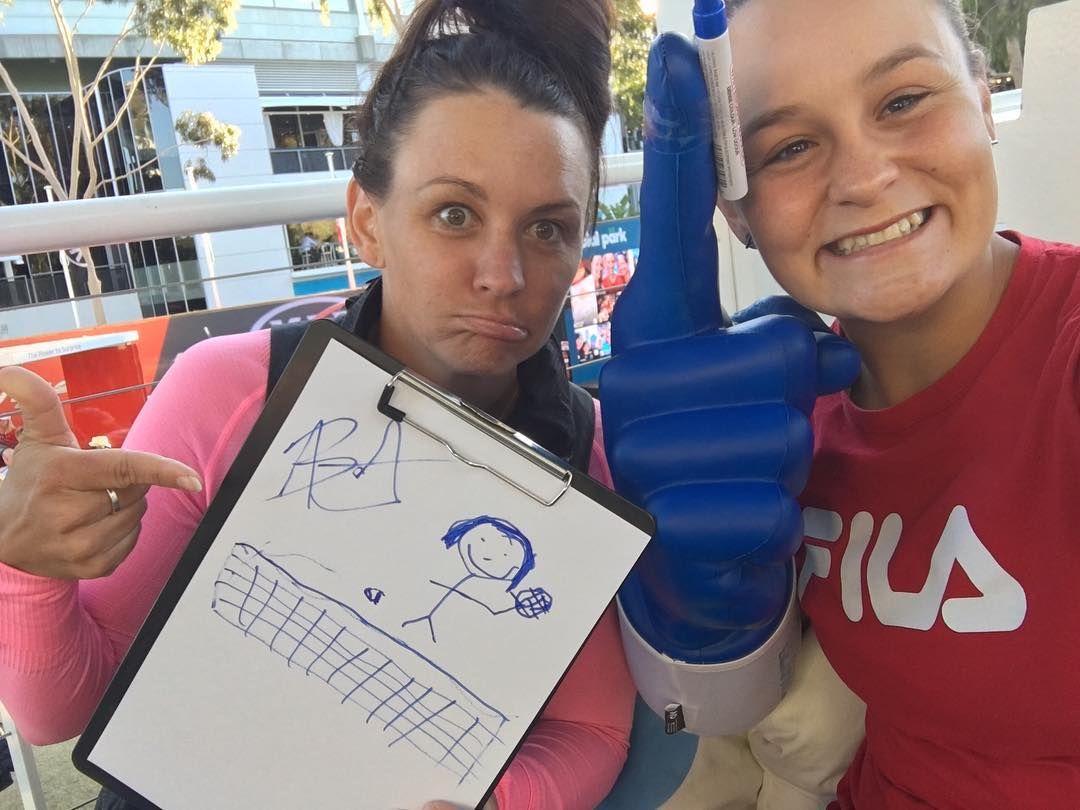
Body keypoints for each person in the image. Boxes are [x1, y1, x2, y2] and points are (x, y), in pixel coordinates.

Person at [0, 1, 636, 808]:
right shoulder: (232, 396)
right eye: (454, 214)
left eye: (547, 230)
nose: (503, 275)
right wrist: (27, 568)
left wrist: (499, 802)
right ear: (366, 222)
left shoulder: (582, 452)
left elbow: (592, 729)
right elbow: (61, 709)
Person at [603, 0, 1078, 807]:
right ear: (735, 210)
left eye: (904, 100)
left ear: (981, 97)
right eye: (789, 147)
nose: (862, 178)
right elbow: (718, 709)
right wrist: (686, 609)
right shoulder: (783, 425)